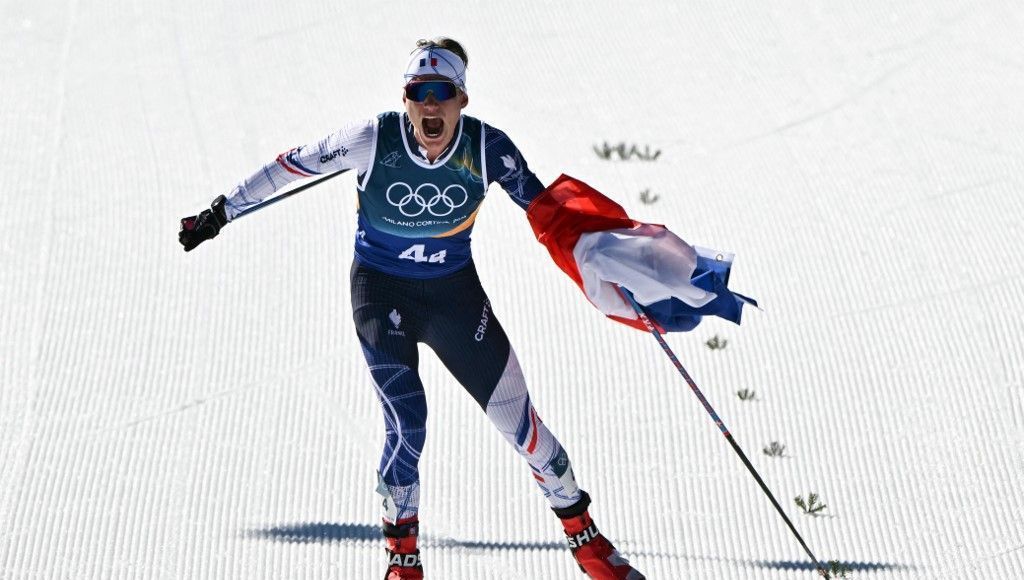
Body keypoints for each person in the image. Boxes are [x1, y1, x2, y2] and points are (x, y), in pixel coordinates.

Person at [179, 37, 645, 580]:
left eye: (441, 92)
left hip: (453, 295)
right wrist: (220, 212)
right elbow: (291, 166)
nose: (429, 104)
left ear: (461, 99)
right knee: (408, 421)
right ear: (405, 98)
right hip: (381, 292)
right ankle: (403, 563)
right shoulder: (371, 138)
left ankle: (589, 546)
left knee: (521, 424)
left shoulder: (488, 148)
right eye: (417, 92)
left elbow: (547, 212)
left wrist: (607, 257)